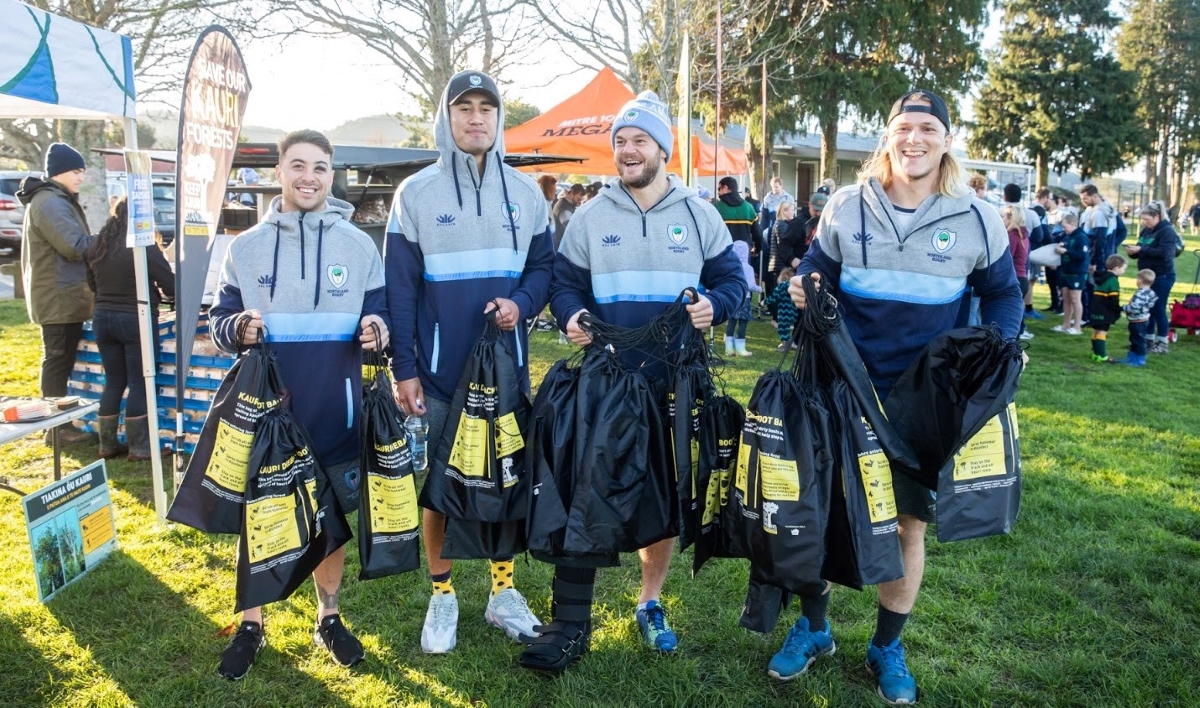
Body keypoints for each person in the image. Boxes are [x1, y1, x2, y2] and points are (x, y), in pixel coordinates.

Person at [783, 89, 1023, 705]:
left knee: (908, 524)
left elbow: (1004, 295)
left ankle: (887, 645)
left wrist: (992, 347)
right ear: (888, 138)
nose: (913, 139)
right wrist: (805, 287)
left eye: (927, 129)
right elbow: (816, 268)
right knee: (821, 509)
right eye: (903, 128)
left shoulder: (976, 217)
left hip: (924, 400)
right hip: (841, 385)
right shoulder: (845, 204)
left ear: (946, 140)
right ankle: (814, 629)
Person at [522, 89, 746, 674]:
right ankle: (572, 618)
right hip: (607, 378)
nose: (627, 150)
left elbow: (732, 281)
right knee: (588, 486)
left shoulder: (699, 213)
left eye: (639, 140)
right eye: (620, 141)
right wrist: (570, 313)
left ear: (663, 150)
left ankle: (649, 602)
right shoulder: (592, 214)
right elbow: (564, 282)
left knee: (664, 497)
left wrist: (715, 307)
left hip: (674, 383)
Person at [208, 129, 389, 679]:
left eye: (319, 167)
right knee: (257, 518)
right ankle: (251, 623)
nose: (308, 176)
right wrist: (236, 327)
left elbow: (381, 317)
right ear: (280, 172)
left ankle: (328, 617)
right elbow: (218, 323)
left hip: (336, 412)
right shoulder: (246, 246)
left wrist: (378, 330)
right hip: (266, 416)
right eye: (297, 166)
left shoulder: (360, 246)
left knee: (330, 523)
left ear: (333, 175)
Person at [384, 70, 553, 655]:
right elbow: (399, 292)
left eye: (486, 107)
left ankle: (502, 593)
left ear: (498, 118)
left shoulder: (528, 194)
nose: (476, 117)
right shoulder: (416, 194)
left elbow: (543, 270)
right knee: (441, 489)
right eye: (464, 108)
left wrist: (522, 303)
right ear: (446, 118)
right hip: (436, 377)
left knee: (506, 481)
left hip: (507, 372)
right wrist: (403, 369)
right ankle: (443, 596)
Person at [16, 143, 97, 444]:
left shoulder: (57, 198)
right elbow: (74, 246)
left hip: (62, 294)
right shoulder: (50, 202)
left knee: (59, 358)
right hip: (57, 296)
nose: (81, 178)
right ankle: (56, 428)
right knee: (57, 359)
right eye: (77, 171)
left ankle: (59, 423)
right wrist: (107, 240)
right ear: (60, 171)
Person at [85, 198, 175, 459]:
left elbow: (92, 283)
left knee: (113, 381)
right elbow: (169, 284)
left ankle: (107, 444)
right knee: (140, 382)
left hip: (102, 317)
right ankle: (140, 447)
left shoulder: (97, 243)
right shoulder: (143, 243)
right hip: (135, 317)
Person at [1124, 202, 1177, 354]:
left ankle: (1162, 342)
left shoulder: (1167, 231)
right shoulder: (1146, 231)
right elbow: (1142, 248)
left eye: (1147, 219)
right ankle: (1147, 339)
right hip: (1146, 275)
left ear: (1157, 217)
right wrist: (1133, 252)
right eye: (1143, 219)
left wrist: (1142, 249)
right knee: (1147, 308)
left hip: (1162, 275)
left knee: (1158, 309)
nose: (1144, 222)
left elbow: (1165, 254)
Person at [1079, 184, 1116, 321]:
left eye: (1085, 198)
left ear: (1094, 196)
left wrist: (1094, 261)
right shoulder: (1109, 209)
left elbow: (1099, 239)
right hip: (1107, 254)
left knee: (1091, 288)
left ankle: (1089, 317)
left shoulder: (1098, 213)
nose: (1084, 202)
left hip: (1098, 257)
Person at [1052, 212, 1088, 335]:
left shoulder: (1081, 237)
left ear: (1073, 224)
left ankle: (1077, 326)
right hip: (1065, 271)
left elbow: (1082, 256)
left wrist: (1066, 251)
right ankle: (1065, 324)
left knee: (1075, 299)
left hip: (1077, 272)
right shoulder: (1066, 236)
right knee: (1066, 298)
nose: (1064, 229)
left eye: (1065, 226)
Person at [1087, 254, 1127, 363]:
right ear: (1116, 268)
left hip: (1096, 308)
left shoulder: (1100, 277)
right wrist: (1117, 310)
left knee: (1096, 330)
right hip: (1105, 310)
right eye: (1123, 269)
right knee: (1102, 332)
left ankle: (1096, 354)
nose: (1124, 271)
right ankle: (1102, 355)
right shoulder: (1113, 280)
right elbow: (1113, 297)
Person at [1001, 205, 1033, 340]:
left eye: (1004, 216)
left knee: (1007, 316)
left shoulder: (1012, 236)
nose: (1002, 219)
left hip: (1013, 278)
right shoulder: (1024, 236)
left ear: (1010, 218)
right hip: (1022, 277)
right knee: (1016, 313)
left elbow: (1006, 259)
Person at [724, 240, 760, 356]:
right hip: (744, 298)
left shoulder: (729, 266)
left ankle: (729, 348)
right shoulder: (748, 268)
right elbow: (750, 285)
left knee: (731, 321)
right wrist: (759, 289)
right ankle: (740, 349)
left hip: (732, 297)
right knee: (742, 322)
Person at [715, 176, 764, 257]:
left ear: (726, 188)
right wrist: (757, 249)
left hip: (723, 255)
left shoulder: (717, 208)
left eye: (719, 189)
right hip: (744, 254)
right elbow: (758, 234)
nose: (718, 192)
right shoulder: (749, 207)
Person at [1120, 269, 1158, 367]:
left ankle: (1140, 359)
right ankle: (1132, 357)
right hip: (1142, 320)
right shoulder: (1150, 292)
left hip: (1138, 321)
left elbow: (1134, 308)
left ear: (1140, 280)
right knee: (1134, 338)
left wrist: (1123, 308)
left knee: (1139, 340)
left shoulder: (1140, 294)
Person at [764, 265, 799, 351]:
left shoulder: (782, 286)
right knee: (788, 328)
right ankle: (792, 343)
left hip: (784, 313)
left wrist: (763, 302)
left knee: (783, 329)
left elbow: (773, 297)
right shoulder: (793, 287)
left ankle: (785, 345)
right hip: (793, 312)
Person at [551, 183, 585, 251]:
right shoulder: (563, 207)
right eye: (578, 199)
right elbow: (571, 228)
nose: (579, 202)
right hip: (561, 247)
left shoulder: (566, 204)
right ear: (571, 194)